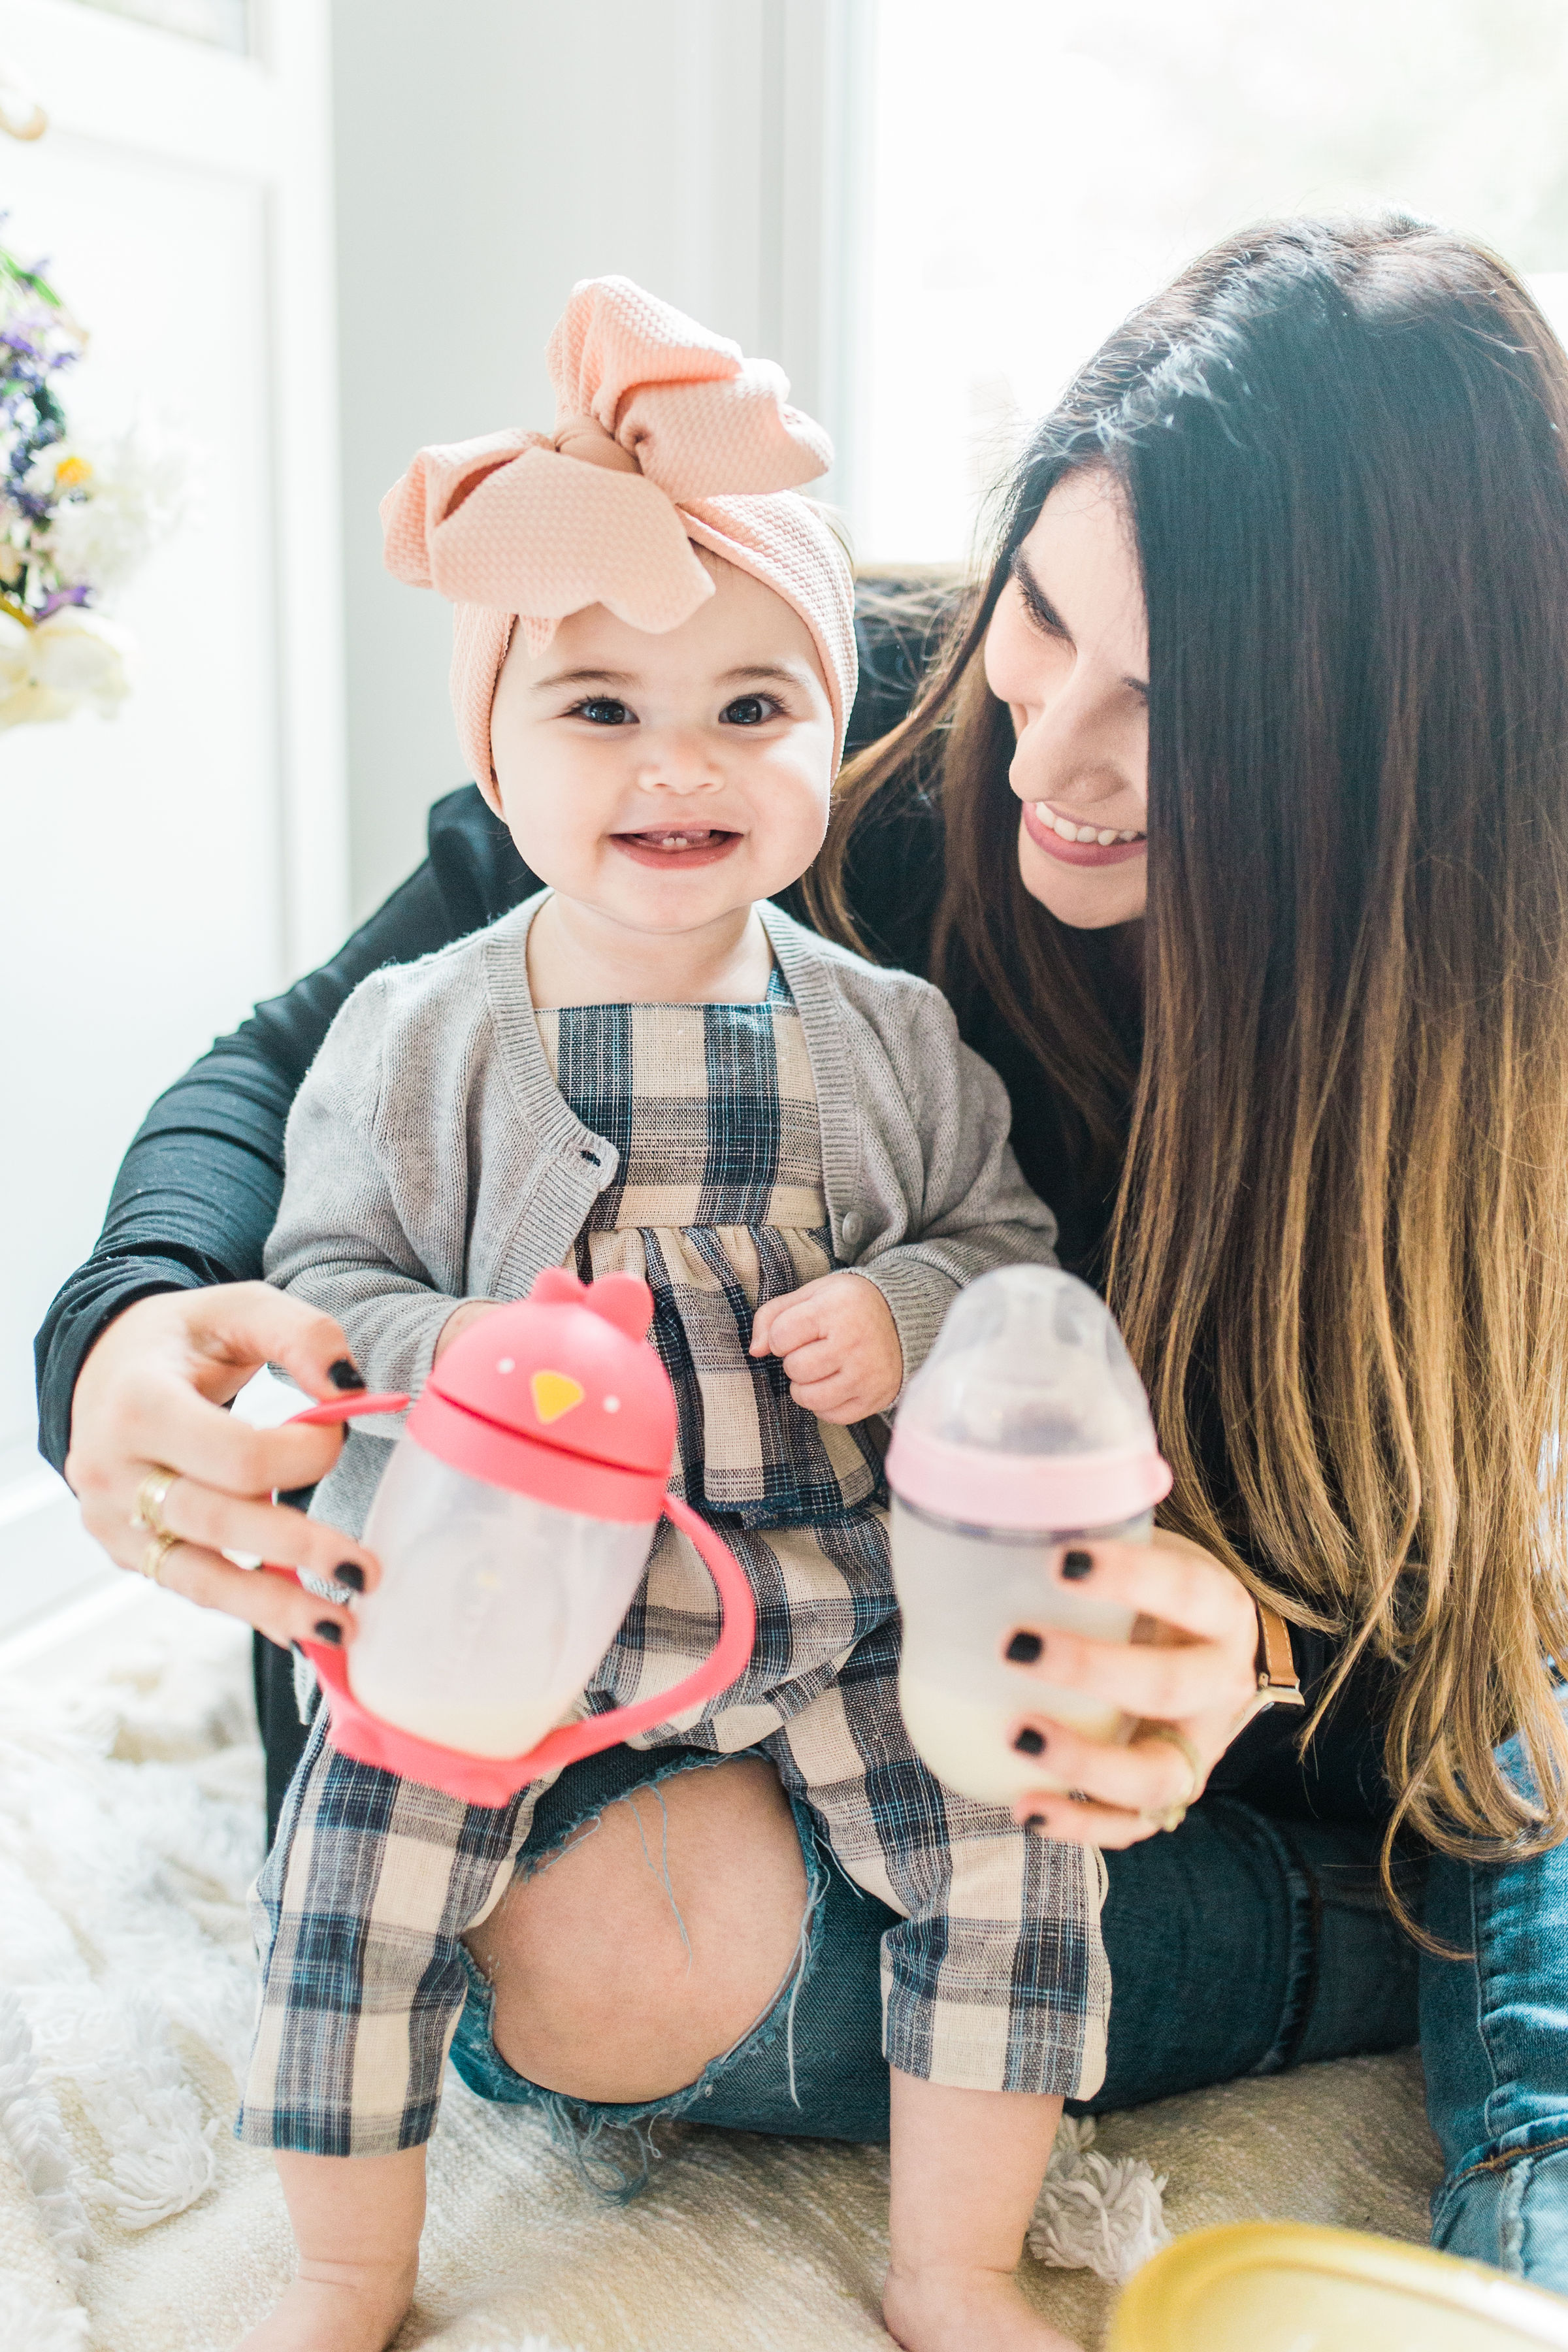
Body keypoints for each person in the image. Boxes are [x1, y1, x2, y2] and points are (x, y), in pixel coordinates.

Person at [44, 210, 1559, 2339]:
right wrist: (130, 1333)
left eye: (1181, 720)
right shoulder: (782, 709)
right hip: (581, 1616)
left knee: (1488, 1787)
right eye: (1048, 618)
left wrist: (1239, 1640)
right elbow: (285, 1086)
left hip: (1004, 1695)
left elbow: (1435, 1634)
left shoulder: (1457, 1069)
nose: (1048, 760)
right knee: (558, 1959)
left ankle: (1490, 2119)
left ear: (1390, 793)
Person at [238, 275, 1086, 2352]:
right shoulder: (421, 1030)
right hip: (506, 1580)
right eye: (601, 708)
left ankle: (952, 2262)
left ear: (828, 738)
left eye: (750, 706)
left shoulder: (891, 1033)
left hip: (834, 1572)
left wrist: (905, 1306)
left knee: (1013, 1838)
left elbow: (1012, 1245)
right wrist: (456, 1357)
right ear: (500, 753)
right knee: (358, 1861)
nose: (676, 763)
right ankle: (343, 2274)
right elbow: (322, 1282)